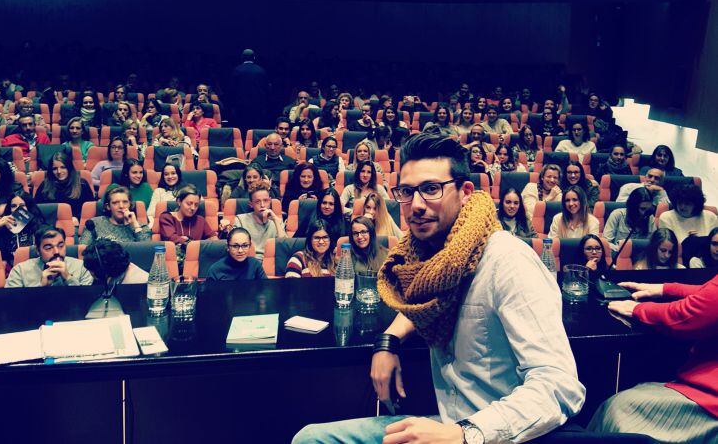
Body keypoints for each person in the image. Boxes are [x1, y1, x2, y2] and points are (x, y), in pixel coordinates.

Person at [293, 133, 584, 443]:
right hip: (447, 421)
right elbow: (428, 302)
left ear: (465, 192)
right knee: (310, 438)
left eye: (431, 189)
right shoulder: (433, 262)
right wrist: (388, 340)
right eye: (407, 191)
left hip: (486, 433)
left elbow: (560, 386)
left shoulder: (508, 261)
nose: (416, 205)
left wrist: (464, 434)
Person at [590, 274, 718, 443]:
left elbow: (687, 314)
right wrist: (664, 289)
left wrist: (636, 309)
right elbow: (709, 293)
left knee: (617, 409)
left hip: (712, 399)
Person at [5, 226, 93, 287]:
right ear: (38, 251)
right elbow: (12, 304)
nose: (56, 252)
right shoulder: (20, 271)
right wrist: (41, 287)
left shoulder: (82, 266)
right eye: (48, 247)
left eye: (61, 245)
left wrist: (69, 278)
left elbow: (88, 302)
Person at [158, 184, 218, 261]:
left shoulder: (200, 220)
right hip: (173, 261)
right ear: (179, 201)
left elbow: (214, 240)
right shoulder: (166, 217)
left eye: (196, 205)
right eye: (189, 204)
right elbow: (172, 238)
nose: (193, 208)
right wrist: (199, 244)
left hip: (197, 261)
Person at [34, 151, 95, 225]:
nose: (59, 171)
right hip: (50, 225)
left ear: (69, 168)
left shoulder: (82, 184)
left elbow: (90, 209)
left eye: (63, 167)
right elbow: (36, 209)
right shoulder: (45, 185)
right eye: (54, 169)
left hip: (75, 224)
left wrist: (78, 219)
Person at [80, 186, 152, 246]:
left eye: (125, 202)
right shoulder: (94, 224)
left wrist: (135, 225)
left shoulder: (141, 227)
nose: (121, 206)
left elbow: (146, 251)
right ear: (108, 206)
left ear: (130, 204)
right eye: (115, 203)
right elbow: (82, 250)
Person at [232, 185, 287, 261]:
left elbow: (284, 247)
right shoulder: (240, 220)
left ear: (270, 201)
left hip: (272, 262)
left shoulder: (277, 221)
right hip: (247, 260)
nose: (262, 205)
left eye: (265, 200)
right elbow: (236, 247)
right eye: (257, 201)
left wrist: (275, 220)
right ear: (251, 204)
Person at [0, 192, 46, 266]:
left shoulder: (42, 228)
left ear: (29, 207)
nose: (18, 209)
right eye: (13, 206)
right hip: (13, 269)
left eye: (22, 206)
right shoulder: (4, 229)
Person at [602, 187, 656, 257]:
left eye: (648, 209)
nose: (645, 213)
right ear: (633, 207)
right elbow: (606, 243)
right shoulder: (617, 215)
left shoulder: (650, 217)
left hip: (641, 257)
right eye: (642, 209)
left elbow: (653, 243)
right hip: (619, 256)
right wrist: (621, 247)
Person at [227, 49, 270, 130]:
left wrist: (232, 106)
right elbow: (266, 90)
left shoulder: (237, 70)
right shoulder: (261, 70)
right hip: (258, 106)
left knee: (242, 128)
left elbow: (231, 90)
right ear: (254, 57)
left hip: (241, 106)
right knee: (256, 128)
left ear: (242, 58)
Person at [82, 238, 149, 284]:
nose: (90, 273)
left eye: (91, 270)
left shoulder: (139, 283)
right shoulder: (117, 272)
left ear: (101, 271)